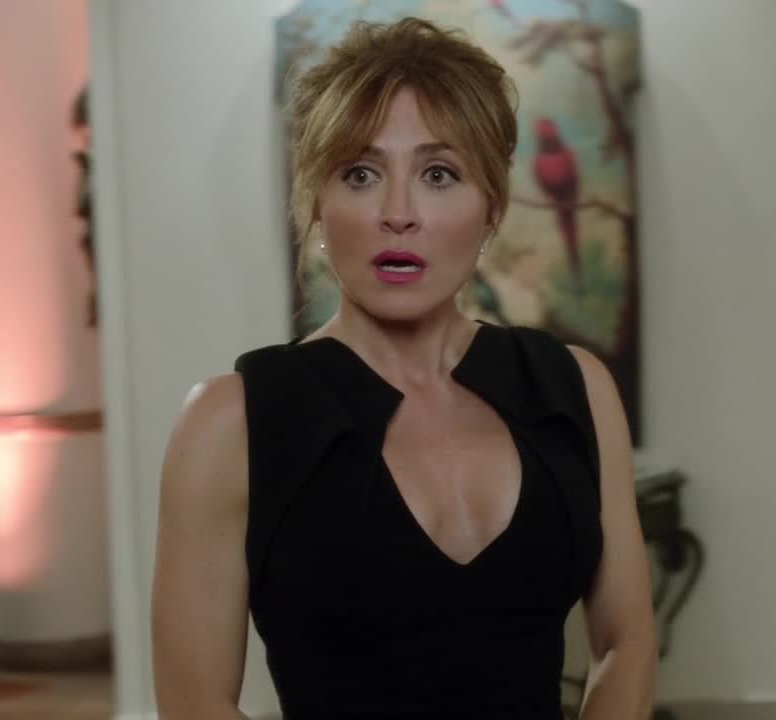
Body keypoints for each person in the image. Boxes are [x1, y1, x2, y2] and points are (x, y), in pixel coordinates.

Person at [150, 17, 658, 719]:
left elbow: (628, 643)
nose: (398, 213)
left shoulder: (574, 389)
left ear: (490, 208)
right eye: (360, 174)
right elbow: (194, 703)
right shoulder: (231, 422)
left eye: (438, 174)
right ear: (318, 204)